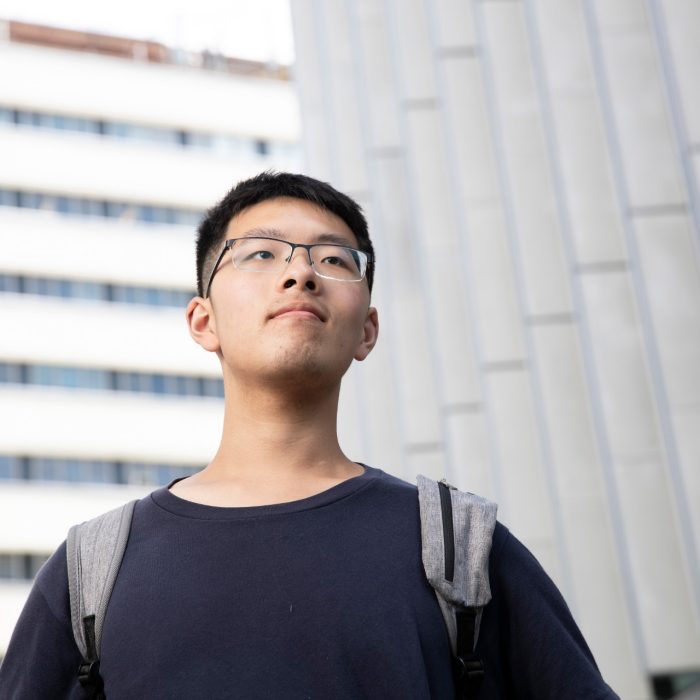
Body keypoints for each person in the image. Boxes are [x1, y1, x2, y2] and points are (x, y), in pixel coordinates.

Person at [0, 172, 618, 698]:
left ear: (367, 330)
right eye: (261, 254)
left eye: (333, 259)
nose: (300, 273)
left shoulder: (462, 550)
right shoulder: (92, 571)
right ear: (203, 320)